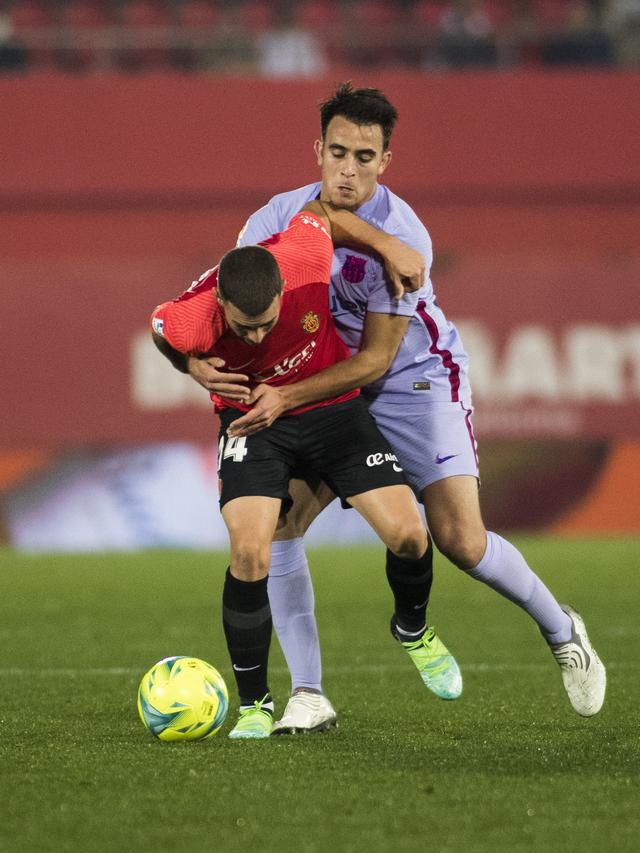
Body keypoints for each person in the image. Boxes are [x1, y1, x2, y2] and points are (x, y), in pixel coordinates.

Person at [189, 83, 607, 732]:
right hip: (331, 388)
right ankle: (308, 693)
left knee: (461, 542)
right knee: (282, 525)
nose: (348, 169)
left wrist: (287, 395)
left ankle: (560, 629)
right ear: (317, 151)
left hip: (413, 382)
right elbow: (261, 291)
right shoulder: (272, 220)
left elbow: (377, 362)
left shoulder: (409, 234)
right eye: (337, 153)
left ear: (386, 161)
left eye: (364, 156)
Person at [151, 201, 462, 739]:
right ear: (220, 302)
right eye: (243, 328)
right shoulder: (191, 318)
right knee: (250, 551)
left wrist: (388, 245)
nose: (255, 338)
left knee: (410, 536)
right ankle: (254, 705)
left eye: (267, 323)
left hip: (330, 412)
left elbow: (324, 211)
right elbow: (160, 328)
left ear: (282, 292)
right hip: (252, 423)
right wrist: (192, 365)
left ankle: (412, 627)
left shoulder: (303, 255)